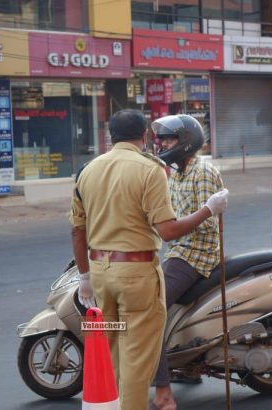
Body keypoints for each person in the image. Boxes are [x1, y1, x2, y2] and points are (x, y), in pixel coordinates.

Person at [69, 109, 229, 410]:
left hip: (101, 275)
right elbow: (167, 231)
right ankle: (154, 396)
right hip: (136, 276)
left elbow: (77, 232)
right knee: (138, 360)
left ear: (110, 136)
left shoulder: (87, 171)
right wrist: (209, 209)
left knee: (110, 350)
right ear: (144, 136)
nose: (163, 144)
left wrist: (85, 279)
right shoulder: (150, 169)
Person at [150, 114, 225, 410]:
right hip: (177, 251)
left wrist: (173, 227)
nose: (163, 144)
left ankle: (163, 392)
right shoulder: (177, 172)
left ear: (186, 142)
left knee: (149, 311)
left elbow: (206, 225)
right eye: (162, 140)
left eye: (169, 139)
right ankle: (186, 366)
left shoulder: (202, 172)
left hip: (194, 255)